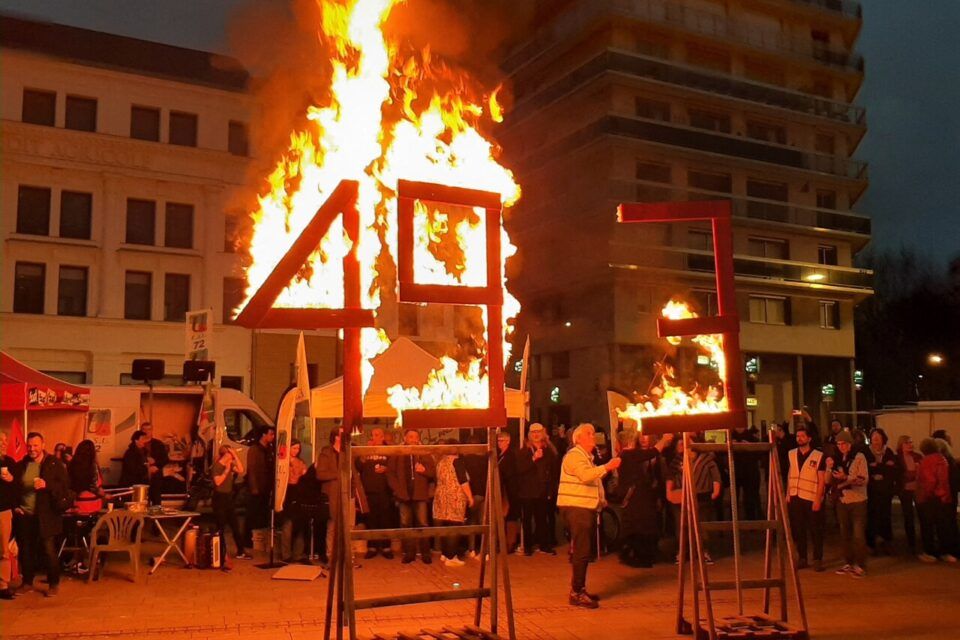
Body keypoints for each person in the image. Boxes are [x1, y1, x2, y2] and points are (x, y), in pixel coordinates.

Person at [557, 423, 621, 609]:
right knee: (582, 551)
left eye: (593, 433)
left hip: (584, 507)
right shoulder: (574, 456)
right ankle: (577, 592)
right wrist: (607, 467)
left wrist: (601, 500)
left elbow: (592, 480)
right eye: (589, 434)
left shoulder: (586, 457)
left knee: (584, 550)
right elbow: (586, 476)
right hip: (576, 508)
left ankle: (580, 589)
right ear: (578, 439)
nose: (593, 436)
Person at [13, 432, 69, 597]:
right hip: (26, 515)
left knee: (48, 550)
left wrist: (47, 484)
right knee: (26, 550)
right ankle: (27, 582)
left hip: (46, 516)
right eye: (29, 446)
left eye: (35, 445)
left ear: (43, 445)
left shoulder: (54, 463)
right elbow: (15, 487)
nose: (32, 449)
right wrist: (16, 506)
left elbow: (65, 487)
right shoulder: (22, 464)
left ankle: (53, 583)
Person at [617, 430, 672, 568]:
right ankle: (638, 556)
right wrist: (664, 439)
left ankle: (643, 554)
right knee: (639, 527)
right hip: (637, 498)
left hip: (644, 497)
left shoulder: (626, 455)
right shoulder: (630, 454)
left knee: (643, 526)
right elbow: (652, 452)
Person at [316, 429, 368, 566]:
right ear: (336, 437)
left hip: (349, 494)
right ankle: (331, 557)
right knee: (333, 526)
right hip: (333, 495)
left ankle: (348, 558)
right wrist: (339, 475)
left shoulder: (349, 452)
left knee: (349, 528)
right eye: (342, 434)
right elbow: (320, 474)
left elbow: (356, 472)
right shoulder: (326, 453)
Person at [386, 429, 435, 564]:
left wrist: (424, 471)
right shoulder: (398, 453)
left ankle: (425, 553)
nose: (413, 439)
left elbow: (433, 472)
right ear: (405, 438)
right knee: (406, 524)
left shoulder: (424, 453)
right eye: (411, 436)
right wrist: (397, 490)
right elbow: (390, 473)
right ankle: (409, 553)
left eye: (416, 437)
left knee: (423, 524)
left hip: (419, 495)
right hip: (404, 495)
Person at [828, 430, 869, 577]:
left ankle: (860, 564)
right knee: (844, 533)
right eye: (838, 444)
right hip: (842, 500)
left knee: (858, 534)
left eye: (843, 443)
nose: (841, 447)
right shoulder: (837, 459)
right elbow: (829, 480)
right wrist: (829, 468)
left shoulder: (859, 457)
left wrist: (845, 477)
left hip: (857, 500)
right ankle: (849, 562)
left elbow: (863, 479)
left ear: (850, 444)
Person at [786, 425, 827, 571]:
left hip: (811, 497)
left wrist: (818, 498)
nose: (799, 439)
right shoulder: (791, 454)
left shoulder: (818, 455)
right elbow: (791, 473)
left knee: (815, 529)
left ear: (809, 438)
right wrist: (787, 494)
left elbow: (821, 479)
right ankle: (802, 557)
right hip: (795, 496)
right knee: (798, 529)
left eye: (802, 436)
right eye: (797, 436)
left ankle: (817, 559)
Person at [516, 423, 558, 555]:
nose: (535, 434)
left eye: (538, 432)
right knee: (527, 520)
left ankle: (544, 544)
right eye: (533, 432)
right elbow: (520, 470)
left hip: (542, 490)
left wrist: (551, 490)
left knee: (542, 519)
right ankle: (528, 547)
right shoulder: (524, 451)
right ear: (529, 434)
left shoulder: (549, 450)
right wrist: (534, 458)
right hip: (527, 491)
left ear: (543, 433)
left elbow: (553, 472)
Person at [433, 439, 474, 567]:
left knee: (445, 525)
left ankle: (445, 554)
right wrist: (470, 497)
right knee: (455, 526)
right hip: (455, 496)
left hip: (441, 497)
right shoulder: (457, 462)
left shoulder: (441, 462)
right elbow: (463, 481)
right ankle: (451, 556)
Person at [915, 438, 955, 563]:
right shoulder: (942, 459)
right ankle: (945, 552)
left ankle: (929, 553)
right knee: (942, 527)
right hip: (943, 498)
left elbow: (930, 481)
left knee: (927, 527)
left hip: (931, 499)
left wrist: (924, 496)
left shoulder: (926, 461)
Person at [356, 428, 393, 560]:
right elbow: (358, 467)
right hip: (369, 490)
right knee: (371, 520)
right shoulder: (366, 449)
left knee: (385, 520)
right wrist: (366, 452)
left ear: (382, 437)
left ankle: (386, 547)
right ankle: (372, 547)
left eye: (377, 435)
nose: (374, 438)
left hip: (384, 490)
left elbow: (394, 467)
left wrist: (386, 469)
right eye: (372, 435)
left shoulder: (388, 450)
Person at [211, 444, 248, 567]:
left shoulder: (230, 464)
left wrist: (235, 456)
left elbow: (241, 470)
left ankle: (241, 551)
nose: (232, 457)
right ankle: (222, 552)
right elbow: (218, 482)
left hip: (228, 498)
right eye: (230, 454)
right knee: (220, 526)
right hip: (219, 498)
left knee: (235, 525)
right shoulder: (217, 466)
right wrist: (227, 470)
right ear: (225, 454)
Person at [866, 428, 897, 555]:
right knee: (871, 516)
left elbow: (892, 470)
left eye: (878, 437)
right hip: (871, 490)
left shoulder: (888, 451)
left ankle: (886, 541)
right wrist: (882, 468)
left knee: (885, 516)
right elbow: (866, 468)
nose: (876, 440)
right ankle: (871, 543)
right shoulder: (866, 452)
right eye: (873, 438)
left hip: (885, 491)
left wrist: (877, 467)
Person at [244, 426, 275, 551]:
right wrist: (254, 487)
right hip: (257, 487)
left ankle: (260, 540)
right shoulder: (254, 450)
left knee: (263, 514)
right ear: (264, 435)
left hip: (266, 486)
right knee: (252, 514)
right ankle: (248, 540)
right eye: (271, 434)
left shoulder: (269, 450)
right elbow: (251, 469)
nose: (272, 437)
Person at [461, 432, 488, 559]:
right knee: (484, 523)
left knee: (471, 523)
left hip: (471, 493)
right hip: (484, 493)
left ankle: (471, 549)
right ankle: (485, 551)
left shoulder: (464, 460)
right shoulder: (486, 459)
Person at [280, 439, 308, 563]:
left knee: (299, 524)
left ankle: (298, 553)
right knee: (288, 524)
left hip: (298, 492)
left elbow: (304, 475)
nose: (296, 451)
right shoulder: (283, 462)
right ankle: (286, 554)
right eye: (294, 448)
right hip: (287, 492)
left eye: (298, 448)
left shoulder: (300, 462)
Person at [895, 435, 923, 557]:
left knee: (922, 515)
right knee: (908, 517)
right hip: (905, 491)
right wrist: (912, 474)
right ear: (901, 445)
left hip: (918, 489)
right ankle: (911, 544)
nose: (910, 445)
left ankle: (924, 541)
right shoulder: (898, 458)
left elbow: (922, 473)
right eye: (907, 442)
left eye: (911, 442)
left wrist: (914, 474)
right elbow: (900, 475)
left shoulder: (917, 456)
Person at [731, 422, 762, 521]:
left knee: (749, 498)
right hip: (735, 471)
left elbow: (759, 454)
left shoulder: (751, 437)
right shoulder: (730, 436)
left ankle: (750, 519)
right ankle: (734, 520)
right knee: (734, 498)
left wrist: (750, 447)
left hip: (749, 472)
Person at [497, 430, 521, 553]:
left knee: (510, 516)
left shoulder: (510, 456)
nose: (499, 443)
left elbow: (509, 473)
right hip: (503, 490)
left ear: (508, 441)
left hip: (510, 490)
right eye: (498, 441)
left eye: (502, 441)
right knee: (505, 516)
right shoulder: (501, 455)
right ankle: (505, 542)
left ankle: (510, 543)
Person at [0, 432, 18, 599]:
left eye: (5, 440)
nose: (3, 443)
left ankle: (3, 585)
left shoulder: (10, 463)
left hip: (4, 511)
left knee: (4, 549)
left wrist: (11, 479)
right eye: (0, 440)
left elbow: (17, 488)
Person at [68, 439, 107, 515]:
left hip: (78, 503)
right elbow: (94, 486)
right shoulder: (92, 466)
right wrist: (104, 494)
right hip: (93, 503)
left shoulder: (72, 465)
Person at [140, 422, 168, 505]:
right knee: (142, 499)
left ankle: (156, 515)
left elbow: (165, 459)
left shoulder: (158, 444)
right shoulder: (137, 444)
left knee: (156, 498)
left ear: (152, 431)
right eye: (144, 429)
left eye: (149, 429)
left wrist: (156, 465)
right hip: (142, 476)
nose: (146, 431)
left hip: (155, 475)